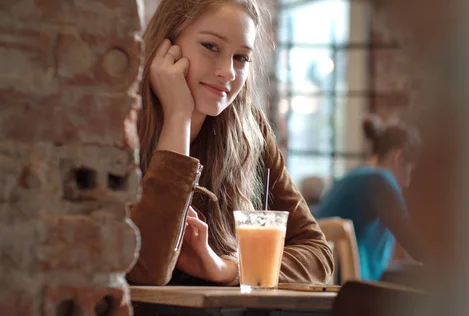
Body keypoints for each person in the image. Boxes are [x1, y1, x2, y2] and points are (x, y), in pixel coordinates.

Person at [126, 0, 333, 286]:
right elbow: (146, 271)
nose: (228, 71)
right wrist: (178, 116)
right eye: (210, 46)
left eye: (241, 58)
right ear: (166, 45)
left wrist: (227, 268)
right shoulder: (120, 123)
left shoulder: (249, 130)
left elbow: (319, 255)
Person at [316, 118, 425, 281]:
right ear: (399, 158)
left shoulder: (356, 177)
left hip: (328, 285)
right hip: (346, 289)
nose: (407, 182)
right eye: (411, 171)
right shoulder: (380, 181)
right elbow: (415, 244)